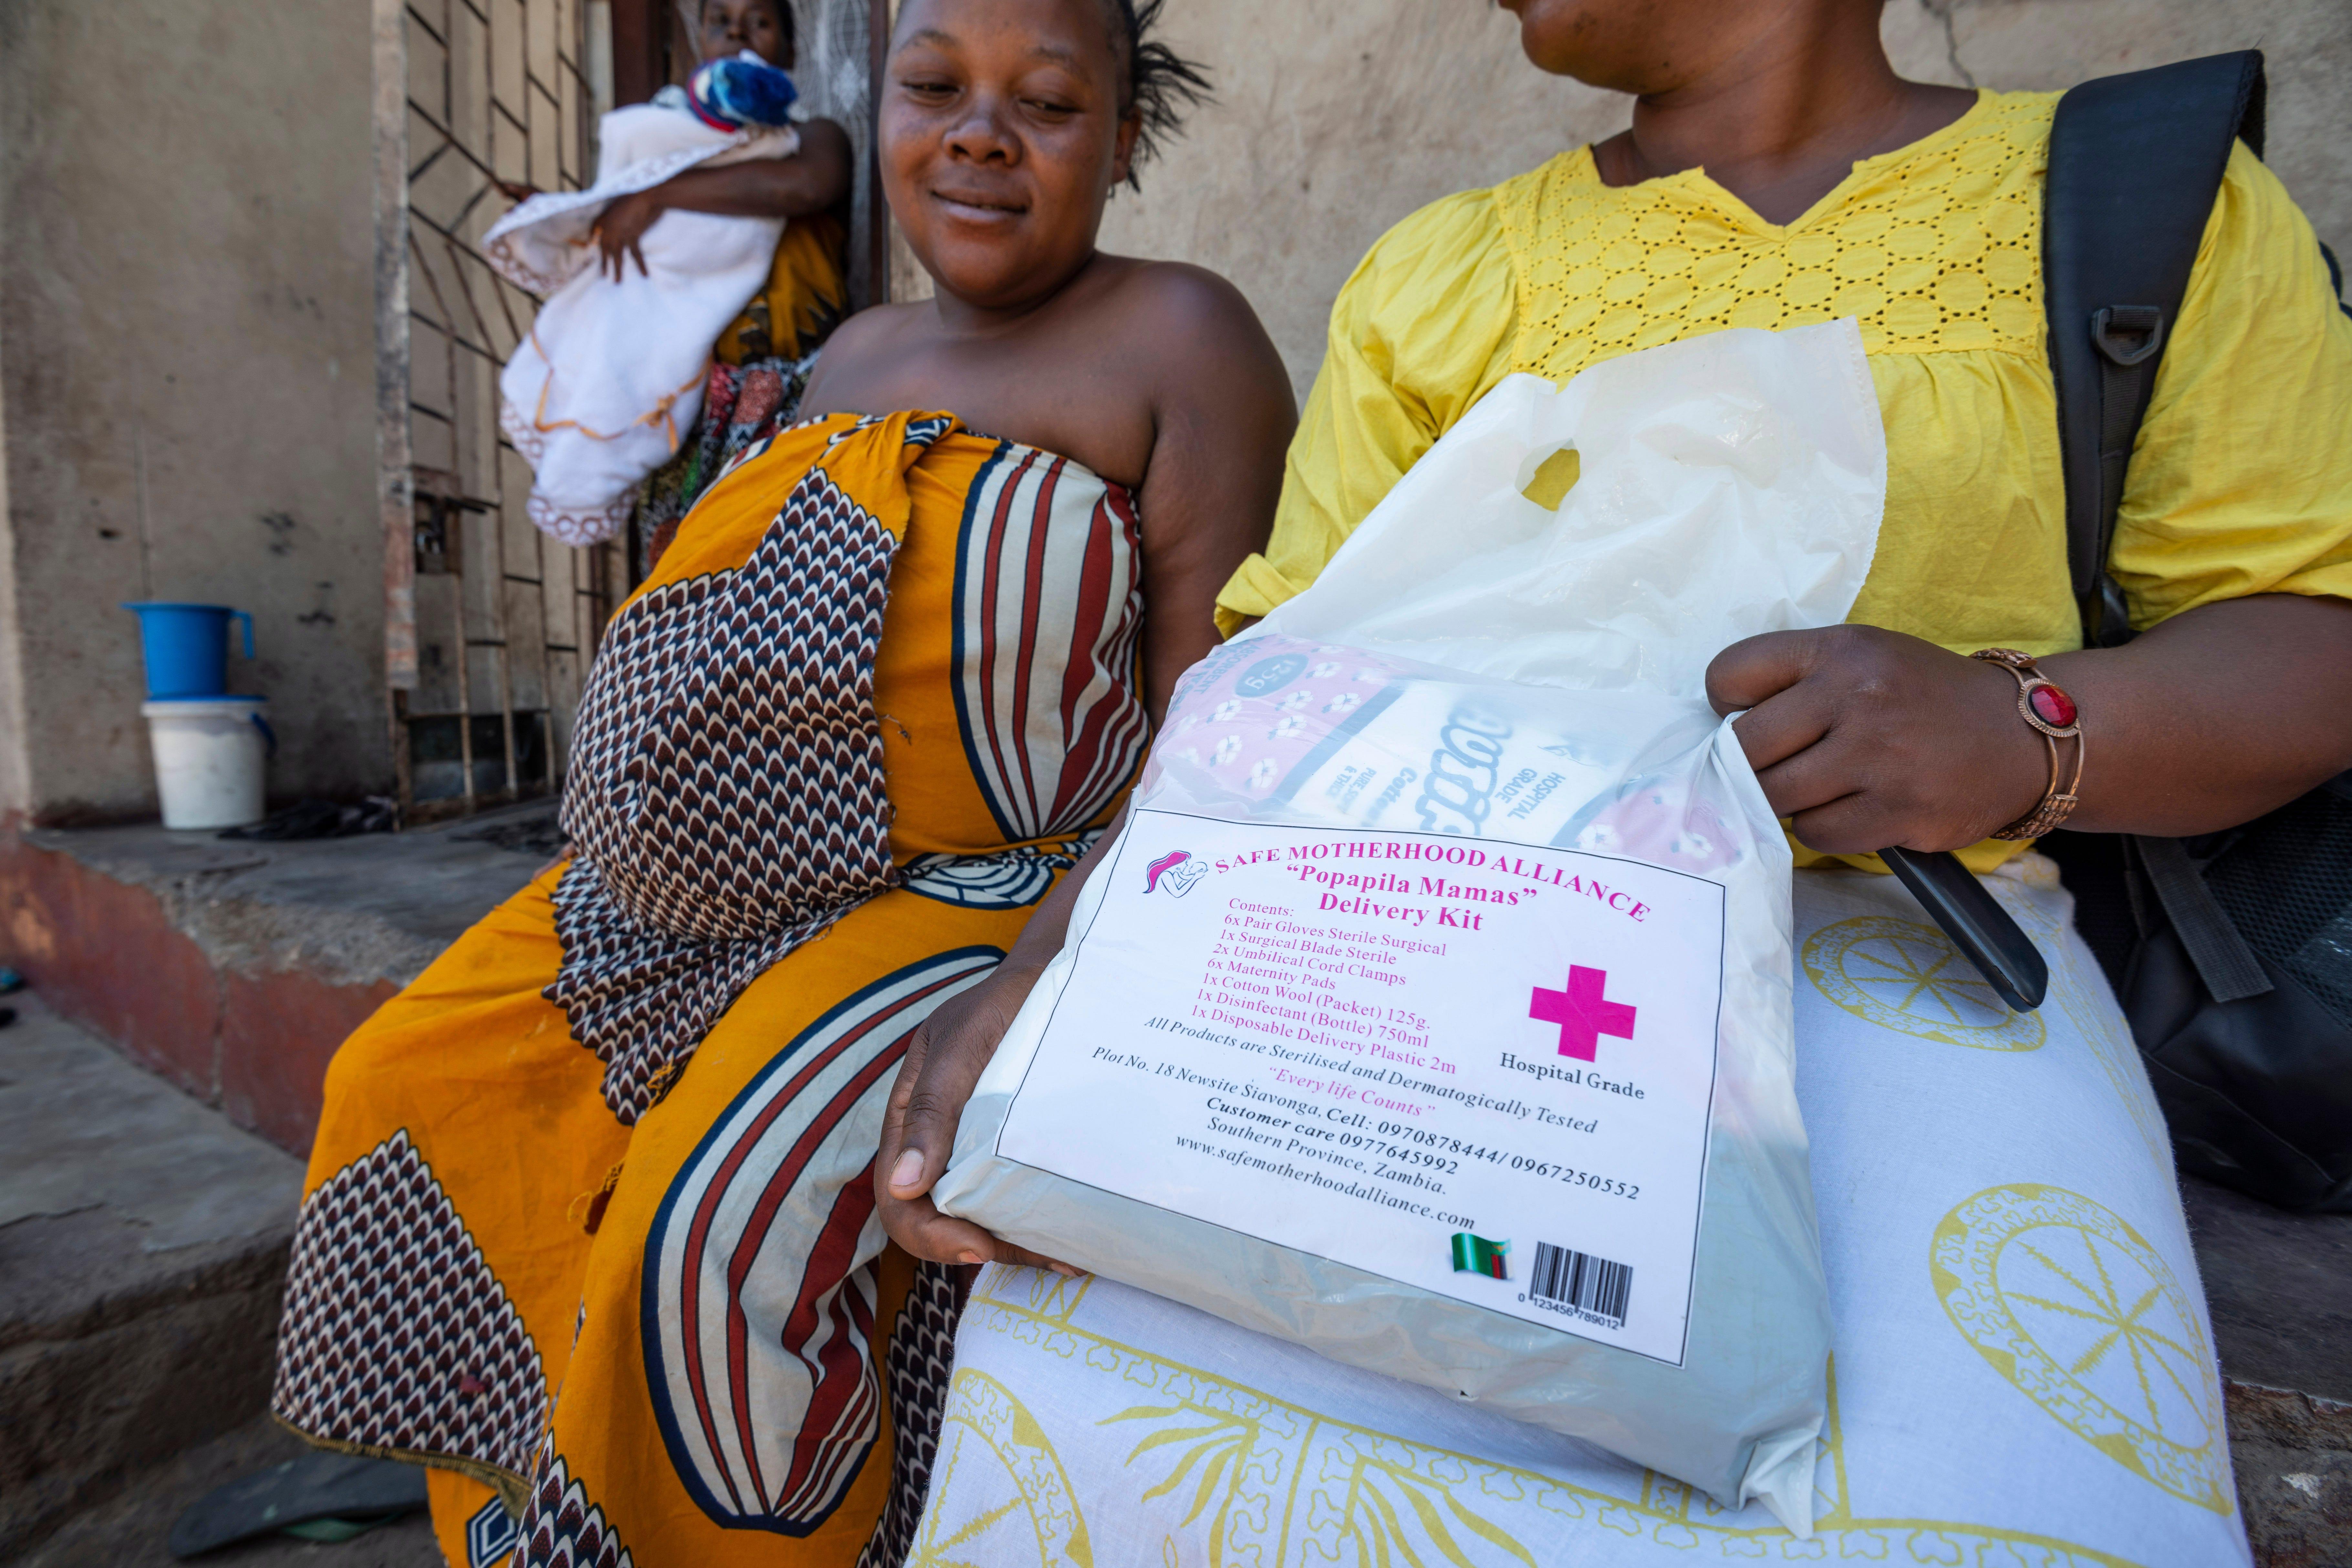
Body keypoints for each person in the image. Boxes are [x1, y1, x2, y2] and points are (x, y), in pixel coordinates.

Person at [876, 0, 2352, 1561]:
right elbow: (1267, 713)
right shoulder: (1440, 273)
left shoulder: (2124, 207)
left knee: (1956, 1510)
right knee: (1115, 1464)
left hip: (1907, 974)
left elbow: (2309, 643)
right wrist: (1059, 974)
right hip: (1416, 957)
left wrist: (2018, 722)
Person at [267, 2, 1292, 1566]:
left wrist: (1053, 955)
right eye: (934, 87)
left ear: (1125, 138)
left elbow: (1205, 727)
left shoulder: (1184, 340)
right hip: (718, 881)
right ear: (882, 110)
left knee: (713, 1229)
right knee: (409, 1078)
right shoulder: (856, 351)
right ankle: (538, 1513)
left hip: (994, 896)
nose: (976, 134)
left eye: (1048, 103)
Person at [489, 0, 854, 545]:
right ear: (700, 44)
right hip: (686, 408)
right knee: (688, 576)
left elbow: (807, 187)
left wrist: (655, 196)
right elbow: (645, 257)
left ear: (792, 50)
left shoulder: (814, 139)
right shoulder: (668, 143)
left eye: (759, 21)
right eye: (719, 22)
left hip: (799, 394)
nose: (736, 32)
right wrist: (568, 216)